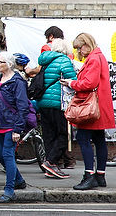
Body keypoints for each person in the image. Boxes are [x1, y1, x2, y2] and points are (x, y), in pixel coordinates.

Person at [61, 32, 115, 190]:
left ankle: (89, 175)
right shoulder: (99, 56)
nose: (79, 52)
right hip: (100, 106)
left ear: (86, 44)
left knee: (84, 138)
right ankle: (100, 175)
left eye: (80, 48)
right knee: (99, 140)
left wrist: (71, 83)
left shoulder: (92, 59)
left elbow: (89, 83)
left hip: (91, 108)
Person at [36, 38, 77, 180]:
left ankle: (49, 167)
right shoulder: (64, 60)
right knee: (63, 135)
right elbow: (73, 79)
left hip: (42, 102)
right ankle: (51, 162)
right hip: (57, 103)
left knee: (49, 135)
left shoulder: (44, 60)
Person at [0, 52, 29, 203]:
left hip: (12, 124)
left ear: (8, 64)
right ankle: (19, 180)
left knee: (7, 155)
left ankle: (9, 190)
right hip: (0, 122)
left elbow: (22, 106)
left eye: (0, 62)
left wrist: (18, 129)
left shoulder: (17, 82)